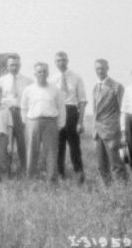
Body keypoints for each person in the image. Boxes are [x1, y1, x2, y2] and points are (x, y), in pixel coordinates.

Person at [21, 62, 66, 182]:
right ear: (34, 73)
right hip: (33, 122)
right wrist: (26, 122)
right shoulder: (28, 89)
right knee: (31, 151)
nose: (42, 74)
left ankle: (51, 180)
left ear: (48, 73)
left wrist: (60, 125)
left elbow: (61, 107)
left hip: (50, 123)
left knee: (51, 153)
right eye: (39, 72)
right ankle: (30, 180)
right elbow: (24, 107)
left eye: (44, 71)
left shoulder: (54, 89)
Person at [51, 51, 87, 182]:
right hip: (58, 113)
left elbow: (82, 101)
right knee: (59, 148)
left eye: (64, 60)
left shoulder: (76, 77)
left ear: (68, 61)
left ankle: (79, 175)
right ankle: (60, 175)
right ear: (55, 63)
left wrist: (80, 122)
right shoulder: (52, 80)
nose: (61, 63)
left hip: (72, 112)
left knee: (74, 147)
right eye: (58, 60)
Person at [92, 59, 127, 184]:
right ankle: (108, 191)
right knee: (101, 165)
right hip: (98, 131)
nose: (100, 71)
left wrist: (121, 131)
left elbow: (123, 110)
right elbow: (95, 110)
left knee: (116, 164)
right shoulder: (95, 87)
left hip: (112, 130)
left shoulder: (116, 86)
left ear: (108, 68)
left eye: (102, 68)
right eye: (97, 69)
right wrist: (94, 130)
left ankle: (122, 190)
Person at [0, 54, 32, 176]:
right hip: (7, 113)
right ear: (7, 66)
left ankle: (26, 171)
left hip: (22, 113)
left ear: (20, 65)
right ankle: (8, 172)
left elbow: (30, 100)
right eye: (12, 64)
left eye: (17, 64)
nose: (14, 67)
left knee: (23, 144)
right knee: (8, 143)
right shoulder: (1, 81)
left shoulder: (28, 81)